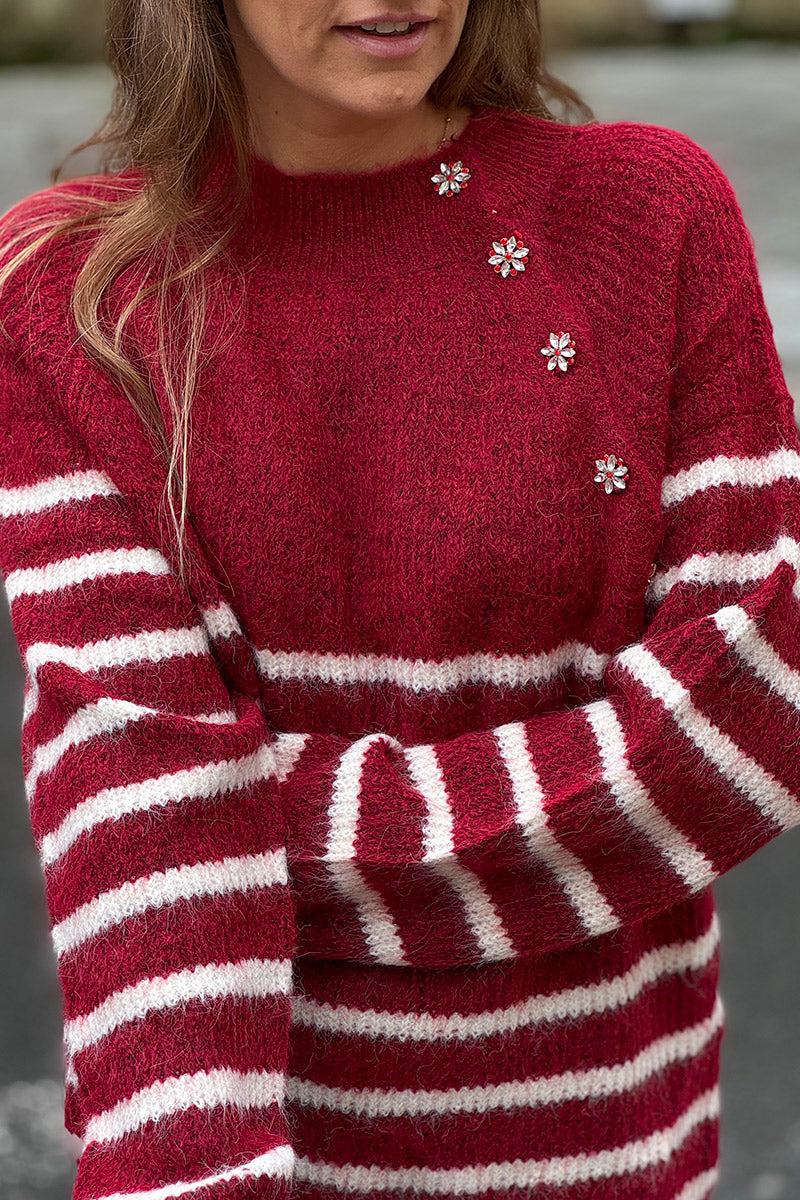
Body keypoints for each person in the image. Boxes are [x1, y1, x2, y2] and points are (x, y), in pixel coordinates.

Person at [0, 2, 797, 1198]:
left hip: (615, 1139)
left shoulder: (643, 213)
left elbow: (745, 709)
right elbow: (134, 809)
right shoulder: (65, 295)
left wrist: (243, 824)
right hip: (252, 1145)